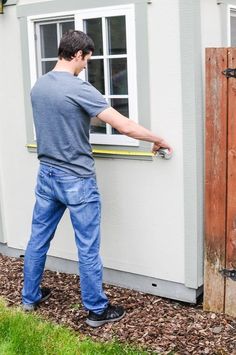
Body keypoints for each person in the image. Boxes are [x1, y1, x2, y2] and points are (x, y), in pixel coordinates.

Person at [22, 30, 173, 328]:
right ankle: (96, 309)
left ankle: (30, 297)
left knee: (38, 239)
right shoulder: (79, 88)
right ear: (78, 54)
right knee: (88, 247)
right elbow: (125, 126)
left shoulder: (40, 85)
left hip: (47, 176)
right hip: (76, 179)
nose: (87, 66)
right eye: (87, 60)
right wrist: (158, 139)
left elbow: (62, 118)